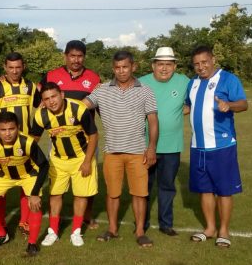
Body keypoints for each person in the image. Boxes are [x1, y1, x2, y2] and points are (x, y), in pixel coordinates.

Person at [84, 50, 158, 247]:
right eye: (117, 67)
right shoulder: (102, 90)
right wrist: (56, 103)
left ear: (133, 66)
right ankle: (112, 229)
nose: (121, 71)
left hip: (138, 152)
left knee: (139, 194)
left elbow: (153, 121)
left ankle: (140, 232)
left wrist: (152, 148)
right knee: (112, 193)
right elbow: (82, 105)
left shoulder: (146, 90)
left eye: (125, 67)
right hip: (112, 152)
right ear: (113, 68)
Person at [186, 46, 248, 248]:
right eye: (196, 64)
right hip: (198, 146)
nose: (201, 67)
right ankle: (210, 229)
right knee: (204, 189)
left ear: (213, 60)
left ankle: (224, 231)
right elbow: (188, 106)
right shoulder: (192, 83)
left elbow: (243, 103)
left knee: (224, 190)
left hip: (222, 146)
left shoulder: (228, 79)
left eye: (204, 62)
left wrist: (229, 105)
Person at [0, 52, 41, 237]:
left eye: (18, 67)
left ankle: (24, 222)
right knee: (1, 188)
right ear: (5, 67)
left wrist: (36, 133)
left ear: (24, 67)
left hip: (25, 146)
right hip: (3, 146)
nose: (14, 71)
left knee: (26, 185)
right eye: (11, 67)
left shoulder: (31, 87)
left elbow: (41, 107)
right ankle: (2, 224)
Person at [41, 40, 101, 230]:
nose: (76, 60)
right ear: (65, 56)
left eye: (80, 56)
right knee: (56, 180)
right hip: (58, 137)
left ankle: (87, 216)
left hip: (86, 139)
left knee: (87, 178)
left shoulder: (94, 78)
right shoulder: (51, 75)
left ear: (84, 57)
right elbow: (39, 102)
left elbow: (100, 106)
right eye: (72, 56)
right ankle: (55, 217)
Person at [30, 82, 98, 247]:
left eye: (54, 96)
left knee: (81, 195)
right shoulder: (41, 115)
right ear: (43, 101)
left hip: (81, 158)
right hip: (58, 160)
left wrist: (87, 161)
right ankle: (53, 231)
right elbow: (33, 140)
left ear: (62, 95)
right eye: (46, 99)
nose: (51, 101)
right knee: (55, 195)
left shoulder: (78, 109)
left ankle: (76, 231)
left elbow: (94, 135)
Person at [0, 111, 49, 256]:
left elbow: (44, 165)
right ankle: (2, 235)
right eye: (3, 130)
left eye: (11, 129)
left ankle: (32, 244)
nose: (8, 133)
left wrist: (35, 193)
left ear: (18, 127)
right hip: (5, 175)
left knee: (35, 205)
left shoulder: (27, 142)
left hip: (28, 175)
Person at [138, 47, 190, 236]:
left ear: (175, 66)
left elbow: (193, 103)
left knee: (167, 186)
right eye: (160, 64)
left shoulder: (184, 81)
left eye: (169, 64)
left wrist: (178, 112)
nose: (164, 68)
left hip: (172, 146)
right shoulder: (141, 82)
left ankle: (166, 224)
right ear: (153, 65)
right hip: (144, 145)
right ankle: (141, 223)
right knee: (143, 187)